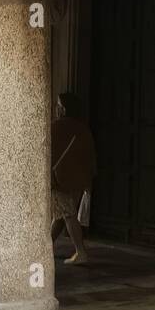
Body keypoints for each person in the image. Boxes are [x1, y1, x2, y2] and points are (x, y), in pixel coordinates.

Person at [51, 92, 96, 265]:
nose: (57, 109)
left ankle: (80, 251)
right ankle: (47, 247)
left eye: (58, 105)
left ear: (63, 108)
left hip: (59, 180)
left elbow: (47, 154)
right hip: (78, 180)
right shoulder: (83, 128)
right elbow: (90, 157)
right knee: (61, 215)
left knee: (67, 215)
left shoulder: (55, 127)